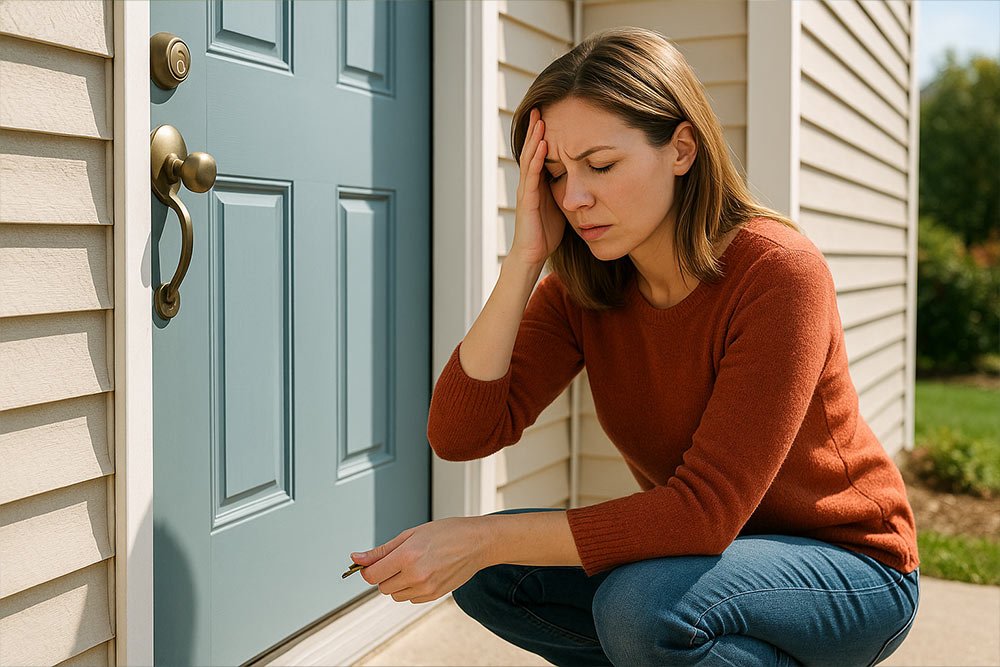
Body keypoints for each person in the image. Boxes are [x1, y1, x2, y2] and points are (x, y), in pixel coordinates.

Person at [347, 27, 919, 666]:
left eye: (601, 165)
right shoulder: (586, 284)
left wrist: (480, 534)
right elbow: (459, 434)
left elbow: (702, 514)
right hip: (703, 560)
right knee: (499, 574)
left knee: (639, 606)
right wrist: (525, 256)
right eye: (558, 175)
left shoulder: (778, 272)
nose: (576, 198)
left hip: (847, 567)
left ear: (680, 149)